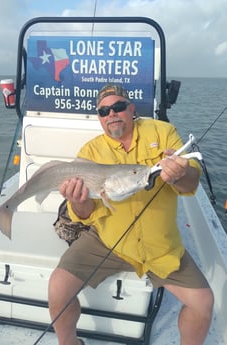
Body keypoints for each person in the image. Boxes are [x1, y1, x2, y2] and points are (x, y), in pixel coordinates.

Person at [48, 84, 214, 345]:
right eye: (104, 111)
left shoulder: (163, 132)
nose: (111, 114)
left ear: (132, 109)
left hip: (160, 245)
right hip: (107, 241)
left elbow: (191, 182)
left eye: (118, 107)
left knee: (203, 303)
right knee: (58, 287)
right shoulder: (89, 153)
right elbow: (85, 214)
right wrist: (77, 202)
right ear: (100, 118)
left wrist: (181, 173)